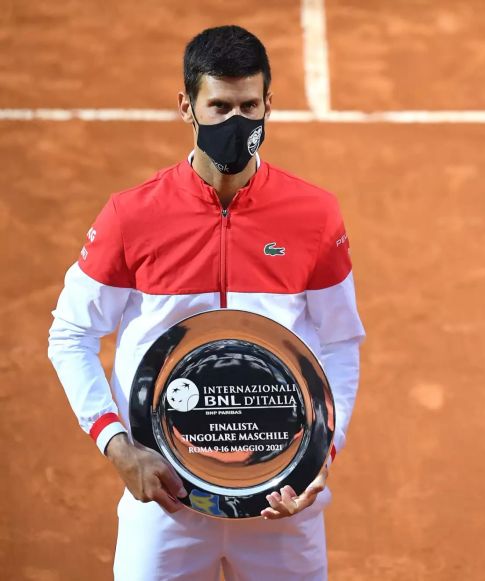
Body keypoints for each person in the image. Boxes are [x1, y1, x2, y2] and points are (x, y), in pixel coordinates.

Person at [47, 25, 364, 580]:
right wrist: (118, 447)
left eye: (249, 105)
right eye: (219, 106)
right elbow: (70, 333)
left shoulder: (315, 216)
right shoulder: (131, 216)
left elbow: (339, 342)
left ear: (269, 103)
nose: (236, 122)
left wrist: (320, 455)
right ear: (187, 107)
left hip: (280, 498)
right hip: (165, 500)